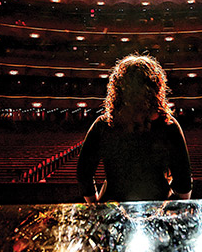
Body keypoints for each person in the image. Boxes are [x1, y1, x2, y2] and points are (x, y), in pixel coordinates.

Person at [77, 54, 193, 203]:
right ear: (156, 87)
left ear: (118, 88)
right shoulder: (168, 125)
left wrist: (95, 205)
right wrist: (173, 208)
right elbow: (183, 182)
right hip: (157, 204)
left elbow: (83, 173)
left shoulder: (103, 124)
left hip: (114, 205)